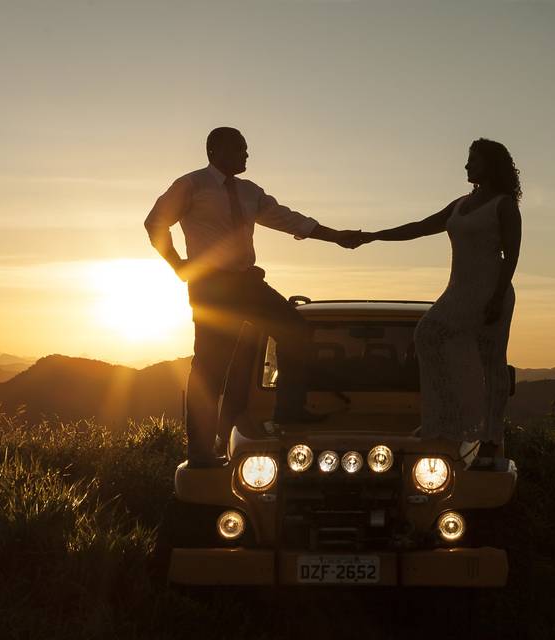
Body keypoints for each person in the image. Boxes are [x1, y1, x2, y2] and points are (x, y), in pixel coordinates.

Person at [144, 126, 356, 468]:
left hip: (247, 282)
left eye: (246, 149)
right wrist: (177, 264)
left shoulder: (249, 191)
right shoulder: (191, 185)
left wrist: (337, 237)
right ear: (216, 151)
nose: (246, 155)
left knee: (295, 331)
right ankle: (199, 453)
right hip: (211, 287)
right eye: (240, 149)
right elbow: (155, 222)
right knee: (210, 369)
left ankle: (288, 413)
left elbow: (288, 219)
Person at [345, 138, 522, 461]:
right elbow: (421, 227)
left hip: (490, 290)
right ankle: (445, 422)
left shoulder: (504, 204)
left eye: (473, 160)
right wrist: (374, 236)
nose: (467, 166)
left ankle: (491, 436)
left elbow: (511, 255)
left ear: (490, 164)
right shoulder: (460, 204)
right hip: (459, 289)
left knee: (491, 363)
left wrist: (496, 297)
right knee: (428, 335)